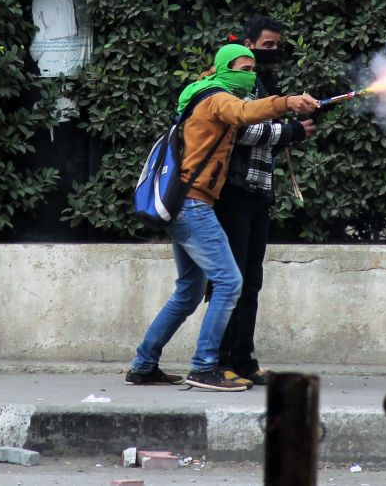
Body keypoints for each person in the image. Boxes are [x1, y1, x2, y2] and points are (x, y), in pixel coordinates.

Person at [125, 44, 319, 391]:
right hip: (193, 205)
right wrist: (287, 102)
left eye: (252, 68)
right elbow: (245, 113)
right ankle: (203, 367)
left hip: (185, 203)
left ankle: (143, 365)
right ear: (222, 68)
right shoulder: (216, 96)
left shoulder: (203, 94)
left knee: (189, 291)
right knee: (230, 282)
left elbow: (246, 121)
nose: (249, 74)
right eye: (242, 67)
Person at [214, 15, 317, 388]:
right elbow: (240, 129)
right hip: (232, 194)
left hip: (258, 193)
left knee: (251, 281)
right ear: (246, 43)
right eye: (267, 45)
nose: (273, 52)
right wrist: (290, 130)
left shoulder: (263, 81)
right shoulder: (235, 80)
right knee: (231, 281)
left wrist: (290, 124)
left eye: (276, 46)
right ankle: (220, 361)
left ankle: (244, 360)